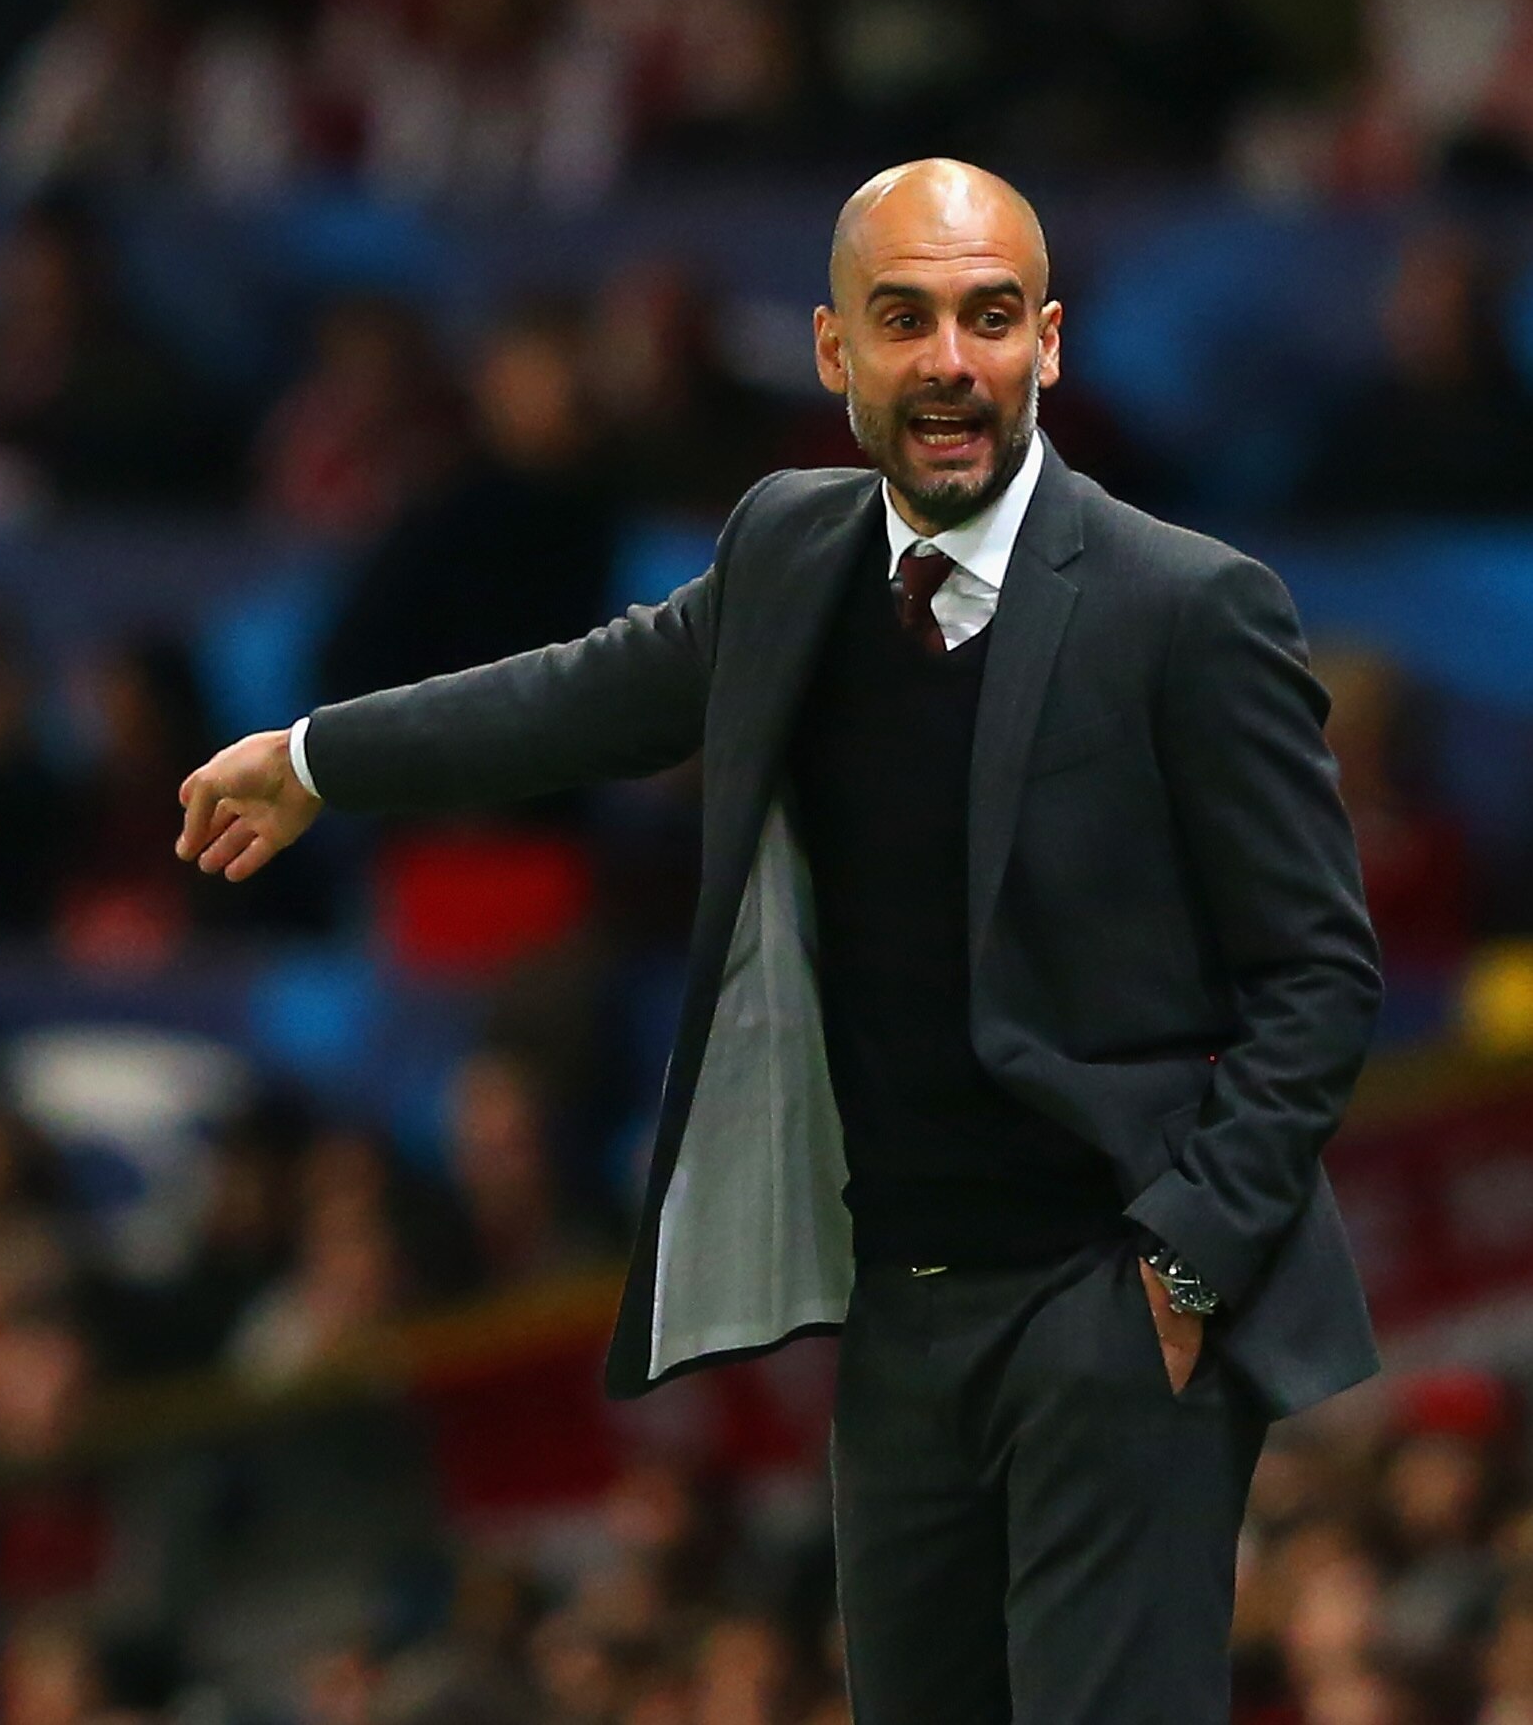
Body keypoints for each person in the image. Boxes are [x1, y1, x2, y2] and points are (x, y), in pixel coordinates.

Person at [175, 159, 1382, 1724]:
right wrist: (317, 758)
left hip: (1109, 1294)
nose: (951, 361)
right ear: (833, 351)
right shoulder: (787, 555)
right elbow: (579, 698)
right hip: (897, 1312)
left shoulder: (1192, 606)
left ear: (1048, 343)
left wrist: (1184, 1261)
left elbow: (1320, 974)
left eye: (991, 317)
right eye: (905, 319)